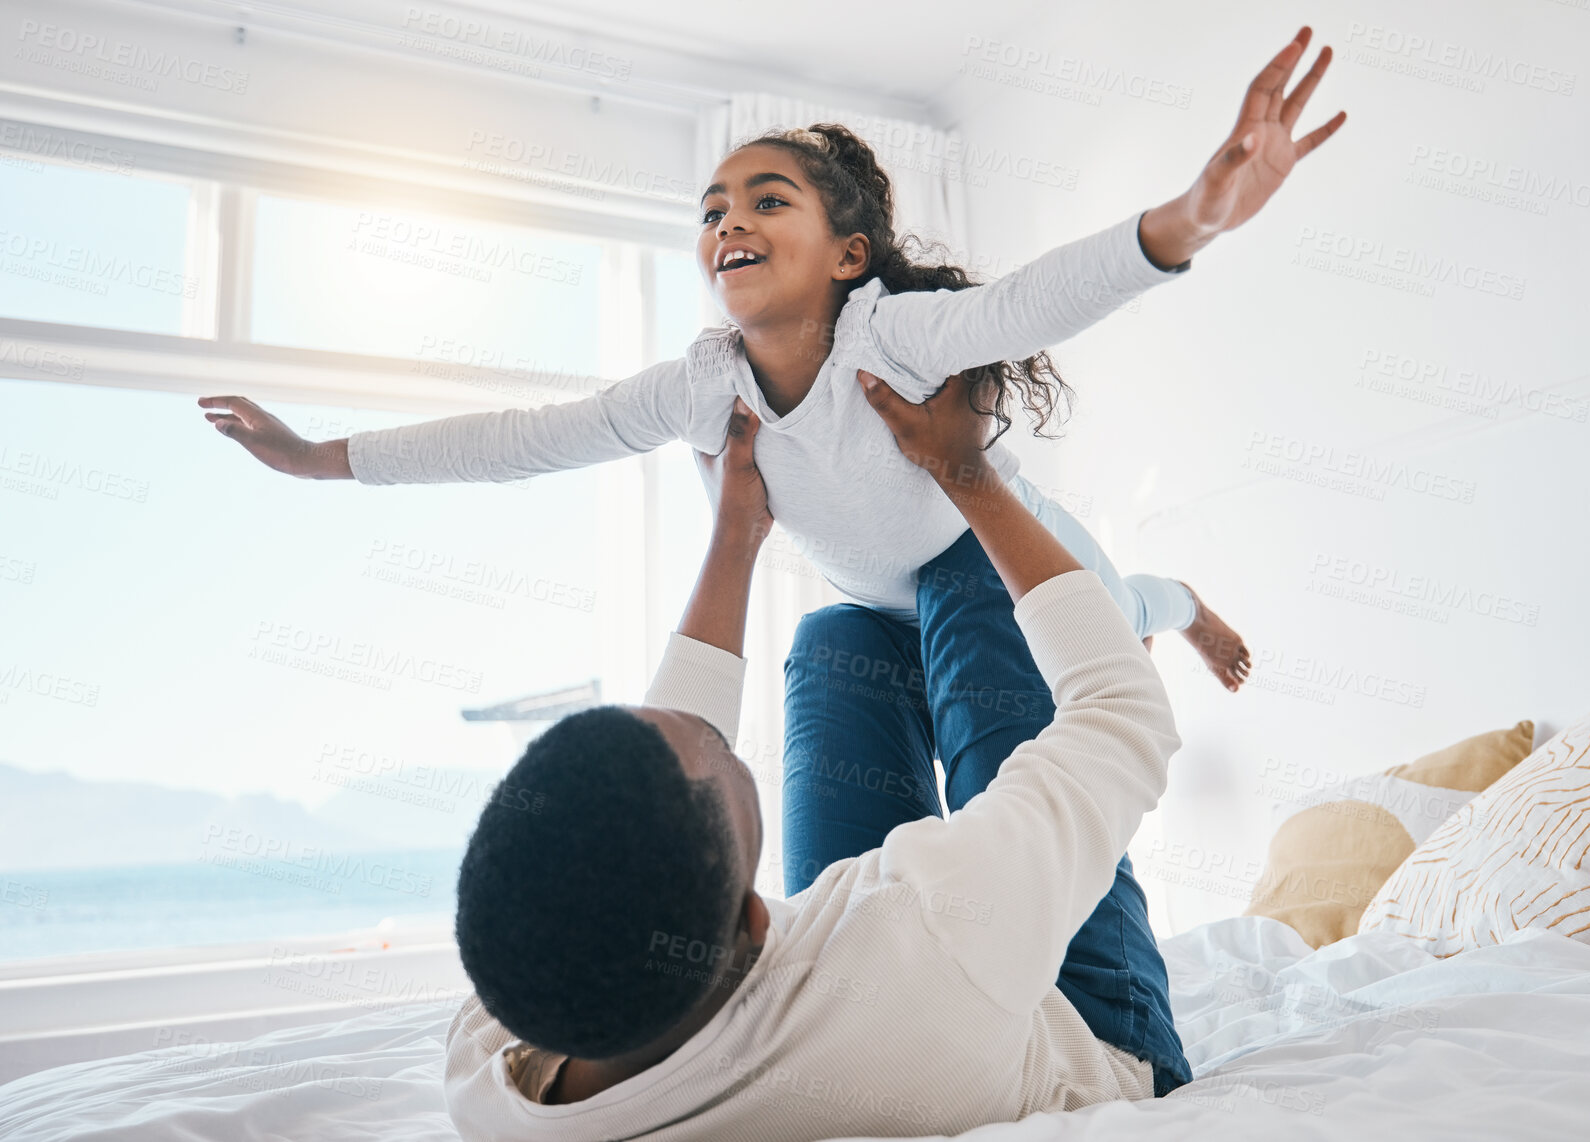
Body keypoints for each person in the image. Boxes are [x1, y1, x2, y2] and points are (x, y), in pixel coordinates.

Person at [192, 28, 1347, 693]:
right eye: (711, 208)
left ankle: (1183, 598)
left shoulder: (890, 333)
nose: (727, 220)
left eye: (764, 197)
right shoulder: (706, 382)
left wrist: (1191, 217)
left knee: (1119, 609)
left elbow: (1032, 299)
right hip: (870, 607)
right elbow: (524, 440)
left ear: (850, 253)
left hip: (987, 558)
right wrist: (315, 457)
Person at [445, 368, 1190, 1141]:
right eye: (726, 762)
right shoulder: (935, 942)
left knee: (836, 642)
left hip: (874, 994)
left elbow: (659, 792)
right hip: (1083, 1025)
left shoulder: (492, 1059)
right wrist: (966, 474)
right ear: (756, 922)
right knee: (967, 580)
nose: (709, 733)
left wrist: (735, 535)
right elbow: (1124, 712)